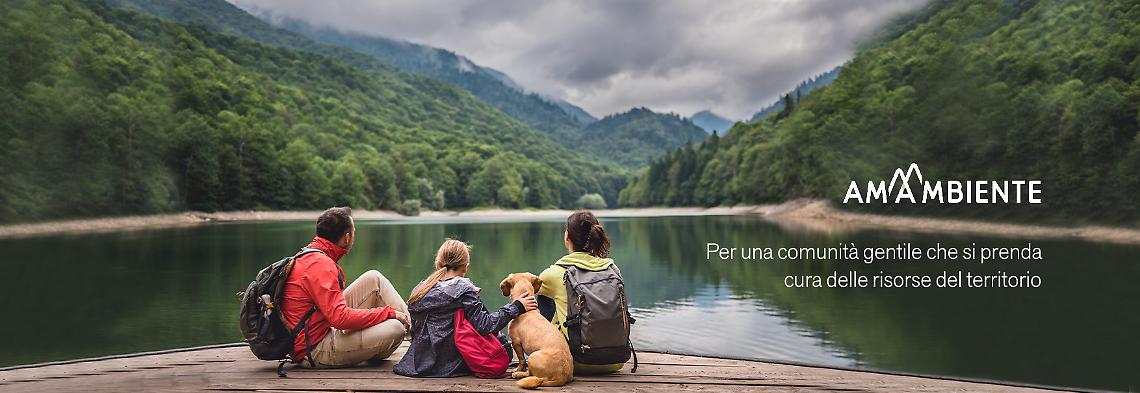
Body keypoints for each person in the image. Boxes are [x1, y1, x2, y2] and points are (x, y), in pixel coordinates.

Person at [281, 207, 412, 368]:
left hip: (320, 326)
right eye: (354, 232)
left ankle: (418, 334)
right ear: (347, 238)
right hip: (313, 349)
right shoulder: (321, 265)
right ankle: (417, 337)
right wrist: (389, 313)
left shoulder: (310, 254)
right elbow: (340, 319)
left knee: (374, 279)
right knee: (395, 328)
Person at [394, 239, 539, 377]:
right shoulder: (464, 290)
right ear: (465, 267)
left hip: (418, 363)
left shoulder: (420, 289)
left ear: (437, 264)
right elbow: (486, 325)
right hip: (452, 364)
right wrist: (516, 307)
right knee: (503, 348)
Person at [537, 210, 625, 374]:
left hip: (573, 361)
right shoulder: (613, 269)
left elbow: (538, 317)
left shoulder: (552, 274)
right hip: (616, 360)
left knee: (541, 303)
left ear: (567, 236)